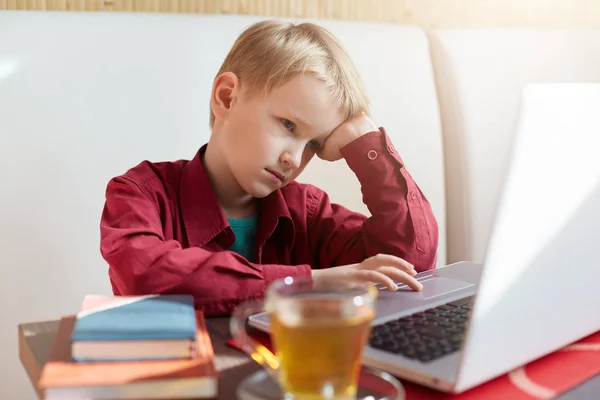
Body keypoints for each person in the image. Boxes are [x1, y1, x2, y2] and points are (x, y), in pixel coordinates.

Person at [100, 20, 439, 316]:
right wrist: (308, 281)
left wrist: (367, 144)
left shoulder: (308, 212)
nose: (295, 158)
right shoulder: (140, 192)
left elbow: (409, 267)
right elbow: (144, 275)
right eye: (289, 125)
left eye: (313, 145)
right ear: (227, 97)